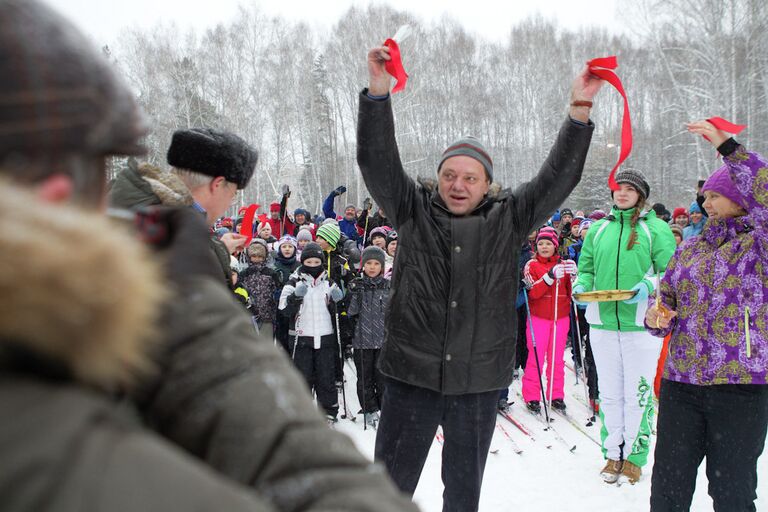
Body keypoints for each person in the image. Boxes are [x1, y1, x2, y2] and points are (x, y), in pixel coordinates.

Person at [0, 3, 418, 510]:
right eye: (234, 195)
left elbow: (211, 369)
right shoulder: (158, 241)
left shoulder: (147, 221)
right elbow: (226, 388)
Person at [357, 43, 603, 511]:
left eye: (471, 178)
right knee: (387, 490)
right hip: (413, 374)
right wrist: (377, 92)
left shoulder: (511, 217)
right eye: (450, 175)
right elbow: (376, 161)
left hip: (477, 382)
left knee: (464, 494)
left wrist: (579, 111)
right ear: (438, 177)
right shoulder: (411, 209)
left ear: (488, 184)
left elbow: (559, 178)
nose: (458, 185)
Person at [646, 120, 768, 512]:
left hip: (740, 386)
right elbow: (666, 299)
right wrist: (656, 316)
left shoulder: (758, 249)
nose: (706, 203)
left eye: (716, 195)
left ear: (741, 197)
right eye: (706, 196)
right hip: (681, 383)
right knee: (667, 489)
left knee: (732, 494)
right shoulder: (691, 249)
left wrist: (730, 149)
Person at [572, 169, 676, 485]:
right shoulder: (599, 229)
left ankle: (634, 456)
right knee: (611, 393)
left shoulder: (654, 229)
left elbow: (672, 272)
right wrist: (581, 286)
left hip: (640, 326)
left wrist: (647, 285)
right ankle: (612, 453)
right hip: (602, 323)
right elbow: (586, 268)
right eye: (619, 188)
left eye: (629, 189)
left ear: (640, 195)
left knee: (638, 394)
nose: (622, 193)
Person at [278, 243, 345, 422]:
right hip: (302, 337)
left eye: (317, 261)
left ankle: (328, 411)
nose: (313, 265)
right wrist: (296, 297)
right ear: (303, 262)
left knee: (326, 377)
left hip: (325, 336)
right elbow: (283, 309)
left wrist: (337, 301)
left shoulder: (329, 283)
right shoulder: (293, 282)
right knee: (303, 377)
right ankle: (303, 411)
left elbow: (338, 311)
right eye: (309, 261)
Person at [521, 228, 577, 413]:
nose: (544, 247)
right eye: (540, 244)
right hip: (538, 318)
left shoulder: (564, 264)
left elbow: (573, 293)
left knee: (556, 359)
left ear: (555, 245)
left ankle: (556, 394)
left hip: (560, 318)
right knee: (535, 358)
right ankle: (532, 395)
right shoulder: (531, 264)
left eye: (548, 243)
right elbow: (533, 293)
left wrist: (574, 275)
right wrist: (549, 277)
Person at [347, 246, 391, 428]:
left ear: (382, 266)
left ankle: (383, 407)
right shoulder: (358, 285)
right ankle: (369, 409)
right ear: (363, 265)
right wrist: (353, 293)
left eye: (376, 264)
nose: (372, 267)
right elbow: (351, 312)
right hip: (362, 341)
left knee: (382, 377)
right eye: (368, 263)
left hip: (383, 341)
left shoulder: (388, 287)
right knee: (365, 377)